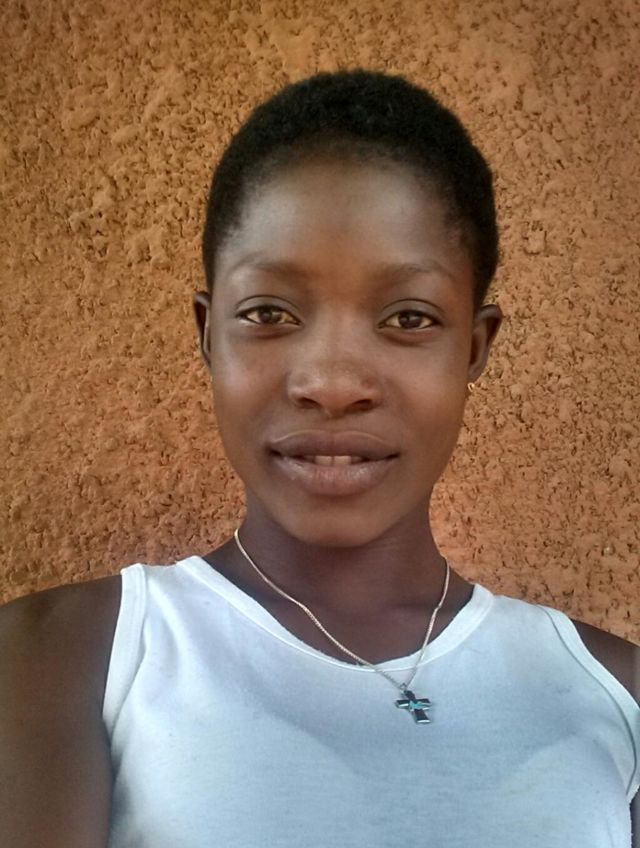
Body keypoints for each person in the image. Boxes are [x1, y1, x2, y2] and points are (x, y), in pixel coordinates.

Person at [0, 69, 638, 848]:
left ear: (475, 346)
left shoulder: (613, 696)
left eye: (409, 318)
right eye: (269, 312)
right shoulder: (65, 663)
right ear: (207, 333)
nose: (333, 384)